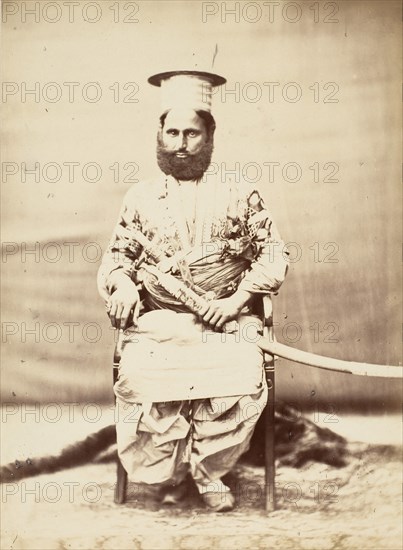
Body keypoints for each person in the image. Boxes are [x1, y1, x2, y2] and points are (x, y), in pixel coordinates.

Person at [97, 70, 289, 511]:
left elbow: (274, 254)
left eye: (192, 133)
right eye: (173, 132)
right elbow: (118, 256)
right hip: (161, 319)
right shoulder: (140, 197)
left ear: (210, 137)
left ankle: (208, 474)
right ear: (160, 135)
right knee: (147, 371)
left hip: (229, 319)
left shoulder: (241, 192)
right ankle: (171, 472)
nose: (181, 143)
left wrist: (237, 301)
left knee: (239, 371)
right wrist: (123, 284)